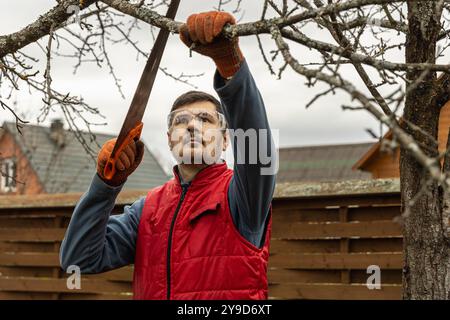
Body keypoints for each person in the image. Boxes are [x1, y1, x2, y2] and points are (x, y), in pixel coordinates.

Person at [60, 11, 276, 300]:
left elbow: (258, 151)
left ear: (226, 139)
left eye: (205, 119)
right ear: (169, 140)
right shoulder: (147, 210)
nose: (191, 125)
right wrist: (106, 184)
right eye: (180, 120)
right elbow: (78, 259)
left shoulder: (242, 198)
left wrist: (231, 67)